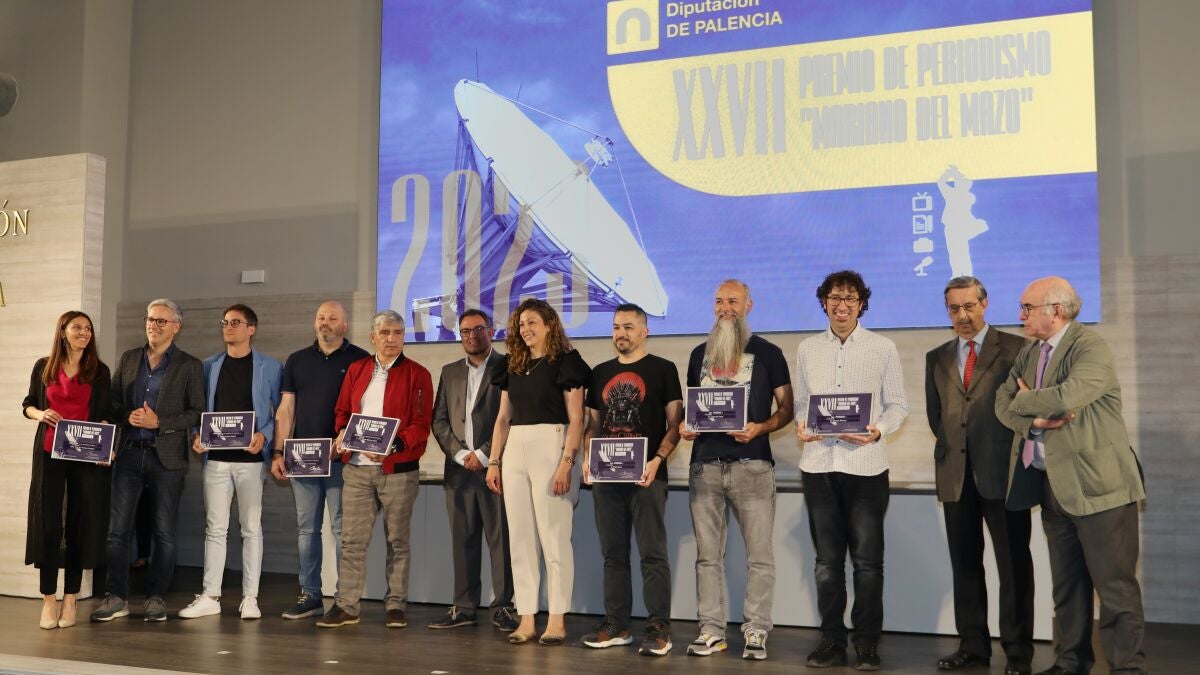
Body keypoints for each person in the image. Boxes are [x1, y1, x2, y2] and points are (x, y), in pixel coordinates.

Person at [996, 277, 1146, 675]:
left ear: (1056, 311)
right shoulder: (1030, 352)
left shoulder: (1090, 347)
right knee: (1067, 586)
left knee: (1114, 588)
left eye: (1028, 308)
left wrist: (1024, 400)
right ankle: (1070, 664)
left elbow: (1067, 396)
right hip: (1053, 487)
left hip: (1101, 488)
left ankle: (1128, 668)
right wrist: (1032, 422)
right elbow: (1001, 402)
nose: (1021, 315)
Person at [794, 270, 908, 671]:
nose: (842, 306)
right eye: (835, 298)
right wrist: (802, 425)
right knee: (827, 564)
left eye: (850, 299)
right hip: (819, 466)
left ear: (862, 304)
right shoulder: (807, 348)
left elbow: (898, 405)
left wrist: (878, 430)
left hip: (867, 468)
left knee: (867, 563)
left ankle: (867, 643)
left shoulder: (883, 347)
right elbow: (802, 403)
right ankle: (831, 641)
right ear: (824, 302)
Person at [679, 279, 793, 661]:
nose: (725, 308)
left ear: (748, 305)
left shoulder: (769, 353)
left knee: (759, 556)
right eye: (719, 301)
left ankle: (756, 629)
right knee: (707, 557)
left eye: (732, 301)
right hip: (704, 467)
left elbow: (787, 409)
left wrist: (760, 428)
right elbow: (693, 410)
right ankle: (711, 630)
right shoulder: (698, 354)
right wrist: (686, 427)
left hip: (753, 466)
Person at [926, 276, 1034, 675]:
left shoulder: (1017, 349)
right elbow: (937, 417)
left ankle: (1018, 652)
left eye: (969, 306)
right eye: (954, 308)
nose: (963, 315)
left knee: (1014, 567)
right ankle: (973, 646)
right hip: (955, 475)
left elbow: (1025, 407)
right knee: (966, 566)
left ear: (984, 304)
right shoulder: (936, 357)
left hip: (1003, 474)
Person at [316, 310, 433, 629]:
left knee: (398, 541)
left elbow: (421, 424)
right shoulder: (357, 369)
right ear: (373, 337)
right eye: (385, 333)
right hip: (356, 470)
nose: (391, 338)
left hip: (398, 470)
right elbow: (342, 412)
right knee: (352, 541)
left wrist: (393, 447)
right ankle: (347, 606)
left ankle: (396, 605)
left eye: (397, 333)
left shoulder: (418, 374)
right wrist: (342, 432)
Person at [91, 299, 205, 623]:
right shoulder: (129, 358)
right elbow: (113, 402)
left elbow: (196, 412)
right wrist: (127, 414)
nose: (153, 325)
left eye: (161, 321)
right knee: (117, 531)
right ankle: (117, 597)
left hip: (167, 460)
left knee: (163, 532)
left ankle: (157, 598)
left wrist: (159, 422)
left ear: (176, 327)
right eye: (150, 319)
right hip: (129, 454)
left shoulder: (190, 365)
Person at [485, 298, 590, 646]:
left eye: (532, 322)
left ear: (549, 325)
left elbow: (577, 419)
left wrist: (566, 463)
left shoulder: (567, 362)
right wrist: (494, 461)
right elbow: (503, 419)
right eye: (521, 324)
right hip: (516, 447)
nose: (525, 329)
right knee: (520, 538)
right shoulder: (512, 365)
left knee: (554, 537)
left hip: (553, 444)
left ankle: (557, 619)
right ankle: (527, 617)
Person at [581, 304, 682, 656]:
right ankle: (617, 624)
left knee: (652, 554)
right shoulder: (599, 372)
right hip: (607, 479)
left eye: (627, 326)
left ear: (644, 331)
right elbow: (593, 425)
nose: (620, 333)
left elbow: (675, 425)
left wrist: (657, 460)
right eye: (615, 327)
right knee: (613, 554)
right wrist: (587, 458)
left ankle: (658, 628)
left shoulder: (663, 369)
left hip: (647, 477)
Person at [179, 304, 282, 620]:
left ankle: (250, 598)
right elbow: (198, 410)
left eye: (235, 322)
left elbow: (281, 413)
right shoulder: (208, 366)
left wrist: (264, 435)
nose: (228, 327)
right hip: (216, 461)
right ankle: (210, 596)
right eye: (225, 322)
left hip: (251, 461)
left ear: (251, 328)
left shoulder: (271, 367)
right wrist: (197, 435)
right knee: (215, 528)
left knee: (251, 528)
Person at [271, 300, 369, 619]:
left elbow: (366, 410)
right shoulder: (297, 360)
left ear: (345, 325)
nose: (325, 322)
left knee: (342, 531)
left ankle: (344, 599)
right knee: (307, 531)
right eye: (321, 317)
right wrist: (278, 451)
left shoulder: (361, 360)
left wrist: (344, 441)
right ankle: (311, 595)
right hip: (303, 459)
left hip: (344, 460)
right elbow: (286, 409)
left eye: (332, 318)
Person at [21, 311, 112, 629]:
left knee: (78, 525)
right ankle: (49, 599)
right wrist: (40, 413)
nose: (84, 333)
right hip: (49, 454)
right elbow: (27, 404)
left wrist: (105, 445)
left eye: (88, 328)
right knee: (49, 527)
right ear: (63, 331)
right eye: (77, 327)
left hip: (85, 457)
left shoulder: (99, 371)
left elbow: (105, 414)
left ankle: (71, 598)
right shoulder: (43, 366)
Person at [429, 309, 517, 632]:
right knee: (462, 543)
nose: (471, 336)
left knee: (501, 542)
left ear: (491, 331)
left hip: (496, 469)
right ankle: (463, 607)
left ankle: (503, 607)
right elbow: (438, 420)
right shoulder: (449, 371)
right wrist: (461, 453)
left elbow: (512, 417)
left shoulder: (509, 366)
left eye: (478, 329)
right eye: (465, 331)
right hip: (458, 472)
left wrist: (483, 454)